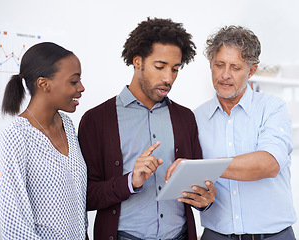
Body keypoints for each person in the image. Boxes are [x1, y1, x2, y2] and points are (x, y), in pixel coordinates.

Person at [78, 17, 217, 240]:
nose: (168, 78)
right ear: (138, 61)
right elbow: (85, 196)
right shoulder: (96, 120)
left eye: (175, 69)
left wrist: (205, 200)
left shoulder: (185, 118)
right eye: (160, 67)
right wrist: (129, 182)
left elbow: (198, 186)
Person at [194, 26, 297, 239]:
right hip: (216, 235)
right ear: (211, 65)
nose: (225, 75)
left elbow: (269, 164)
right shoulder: (195, 118)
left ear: (251, 71)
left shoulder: (273, 108)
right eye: (219, 65)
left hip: (273, 236)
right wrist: (201, 199)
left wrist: (207, 167)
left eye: (235, 67)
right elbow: (194, 183)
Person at [0, 42, 88, 239]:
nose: (81, 88)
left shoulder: (67, 124)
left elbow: (76, 202)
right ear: (43, 84)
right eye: (74, 81)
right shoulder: (17, 135)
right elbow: (14, 224)